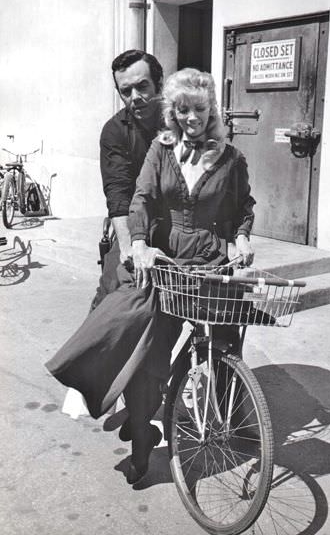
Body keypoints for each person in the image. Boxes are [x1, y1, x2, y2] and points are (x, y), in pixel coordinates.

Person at [46, 69, 255, 485]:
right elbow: (140, 199)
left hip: (211, 262)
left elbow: (243, 206)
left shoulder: (232, 159)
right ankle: (142, 433)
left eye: (198, 108)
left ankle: (234, 416)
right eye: (182, 109)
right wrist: (139, 243)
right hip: (168, 262)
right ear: (172, 113)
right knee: (148, 352)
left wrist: (243, 237)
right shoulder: (160, 151)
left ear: (210, 109)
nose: (191, 117)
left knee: (228, 335)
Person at [91, 49, 164, 309]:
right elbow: (118, 193)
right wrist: (127, 247)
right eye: (126, 91)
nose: (135, 98)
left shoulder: (185, 120)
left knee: (220, 303)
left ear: (160, 83)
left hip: (185, 226)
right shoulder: (115, 131)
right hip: (134, 223)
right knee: (113, 294)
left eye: (142, 86)